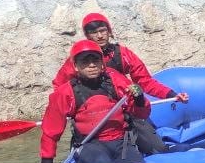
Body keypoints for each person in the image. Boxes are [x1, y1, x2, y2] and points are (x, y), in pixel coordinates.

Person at [52, 13, 188, 154]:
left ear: (109, 31)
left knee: (158, 149)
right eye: (94, 32)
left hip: (124, 110)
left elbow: (145, 81)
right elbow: (59, 88)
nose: (99, 36)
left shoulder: (122, 54)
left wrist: (172, 95)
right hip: (93, 115)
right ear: (87, 35)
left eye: (103, 31)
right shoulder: (78, 59)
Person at [38, 40, 151, 163]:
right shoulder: (65, 93)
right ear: (76, 66)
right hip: (89, 145)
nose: (92, 65)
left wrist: (140, 98)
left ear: (102, 63)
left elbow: (142, 114)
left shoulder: (116, 81)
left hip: (120, 142)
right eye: (85, 61)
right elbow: (51, 131)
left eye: (95, 60)